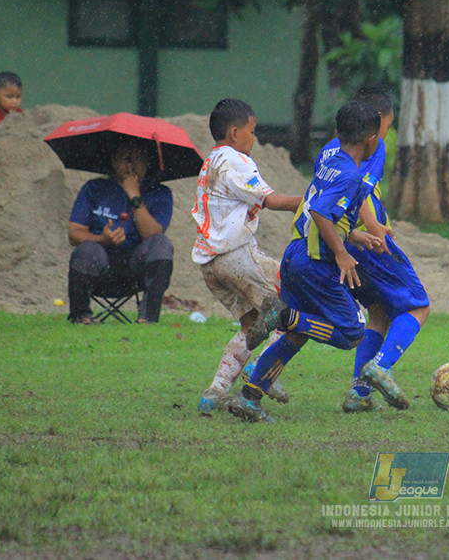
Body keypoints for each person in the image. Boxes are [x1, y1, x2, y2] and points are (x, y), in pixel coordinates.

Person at [231, 100, 385, 422]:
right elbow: (319, 211)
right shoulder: (351, 175)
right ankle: (283, 315)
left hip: (296, 253)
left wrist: (353, 236)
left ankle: (249, 399)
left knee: (299, 335)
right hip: (316, 263)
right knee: (352, 331)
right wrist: (342, 254)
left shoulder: (327, 158)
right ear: (371, 139)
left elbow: (322, 210)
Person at [192, 98, 302, 413]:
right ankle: (262, 371)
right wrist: (309, 201)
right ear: (236, 132)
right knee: (290, 301)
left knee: (251, 323)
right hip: (235, 254)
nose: (255, 139)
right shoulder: (236, 160)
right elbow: (270, 200)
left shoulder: (210, 162)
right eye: (253, 132)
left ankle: (214, 392)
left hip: (209, 262)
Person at [331, 85, 430, 413]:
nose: (388, 131)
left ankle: (359, 393)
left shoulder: (333, 148)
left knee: (379, 311)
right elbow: (356, 192)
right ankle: (381, 366)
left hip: (342, 240)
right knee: (418, 307)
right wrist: (374, 228)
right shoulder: (374, 145)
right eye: (388, 122)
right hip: (367, 243)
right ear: (375, 123)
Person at [67, 137, 174, 324]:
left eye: (138, 159)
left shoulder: (160, 192)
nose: (131, 165)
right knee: (86, 250)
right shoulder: (94, 188)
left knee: (162, 244)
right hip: (100, 266)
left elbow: (153, 234)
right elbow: (74, 233)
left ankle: (147, 318)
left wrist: (134, 195)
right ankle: (81, 316)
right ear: (114, 161)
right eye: (125, 158)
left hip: (136, 268)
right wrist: (101, 239)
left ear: (148, 162)